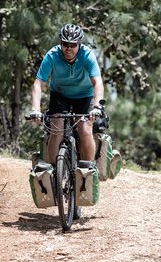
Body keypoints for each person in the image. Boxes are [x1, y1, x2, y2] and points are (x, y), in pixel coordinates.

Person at [27, 23, 105, 168]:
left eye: (73, 45)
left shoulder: (87, 55)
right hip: (60, 95)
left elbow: (97, 82)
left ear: (79, 44)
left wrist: (97, 106)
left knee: (85, 129)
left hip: (84, 96)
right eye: (65, 44)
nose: (68, 48)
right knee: (56, 130)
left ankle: (87, 170)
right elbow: (38, 84)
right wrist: (35, 110)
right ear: (60, 43)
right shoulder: (52, 56)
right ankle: (51, 172)